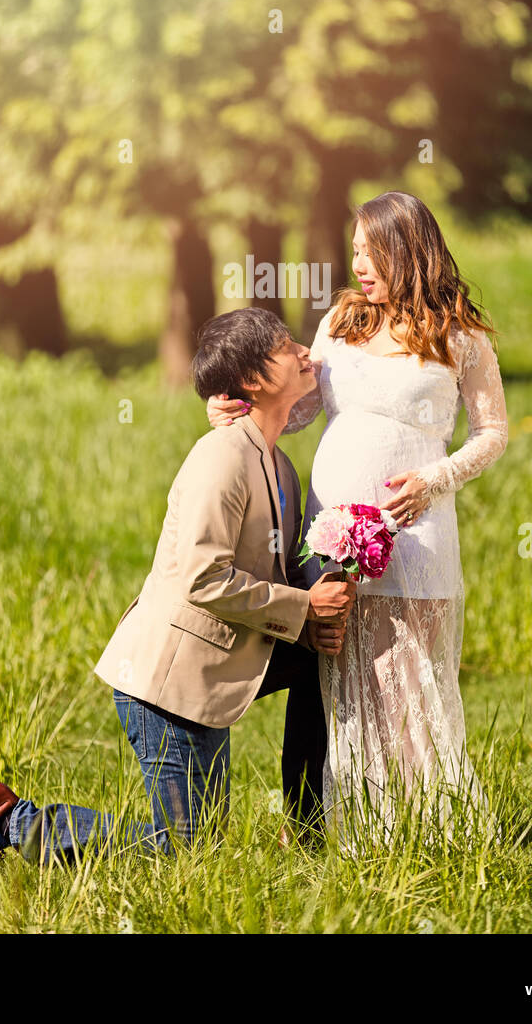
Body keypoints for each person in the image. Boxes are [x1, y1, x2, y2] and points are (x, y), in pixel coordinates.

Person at [0, 308, 357, 872]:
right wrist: (304, 608)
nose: (307, 352)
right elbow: (203, 578)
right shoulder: (222, 459)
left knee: (315, 660)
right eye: (288, 346)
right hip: (166, 688)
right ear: (255, 380)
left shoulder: (278, 466)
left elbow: (272, 569)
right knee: (186, 851)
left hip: (213, 669)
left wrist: (328, 586)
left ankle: (307, 830)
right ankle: (10, 819)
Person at [206, 192, 508, 847]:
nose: (359, 265)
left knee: (407, 676)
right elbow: (305, 406)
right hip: (330, 527)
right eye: (354, 253)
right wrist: (240, 409)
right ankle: (327, 820)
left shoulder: (461, 336)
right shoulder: (342, 321)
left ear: (409, 251)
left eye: (372, 252)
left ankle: (422, 822)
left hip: (418, 532)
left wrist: (436, 479)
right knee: (329, 675)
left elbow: (492, 432)